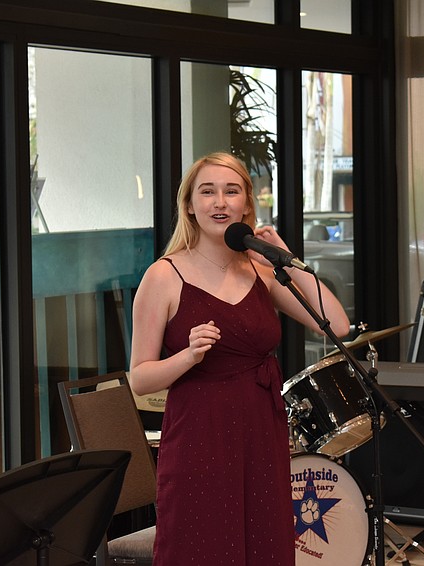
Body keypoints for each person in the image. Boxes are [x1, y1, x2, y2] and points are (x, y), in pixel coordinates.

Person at [128, 151, 350, 565]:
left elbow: (335, 324)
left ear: (247, 204)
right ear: (189, 205)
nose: (220, 202)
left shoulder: (259, 270)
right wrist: (188, 357)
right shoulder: (163, 276)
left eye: (232, 192)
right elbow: (139, 378)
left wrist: (283, 256)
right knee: (205, 546)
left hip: (261, 428)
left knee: (264, 543)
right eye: (207, 192)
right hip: (199, 435)